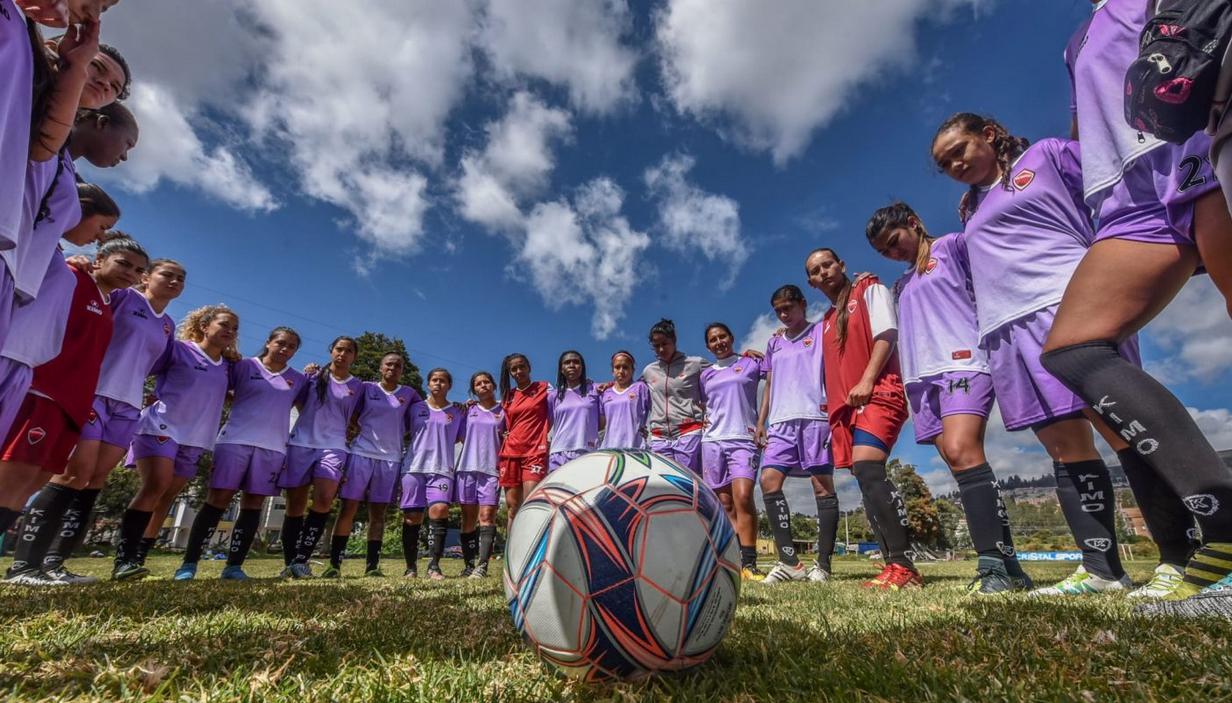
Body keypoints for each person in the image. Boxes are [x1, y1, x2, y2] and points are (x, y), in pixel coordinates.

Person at [933, 111, 1186, 596]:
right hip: (1005, 329)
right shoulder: (970, 207)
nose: (955, 166)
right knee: (1064, 446)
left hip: (1066, 304)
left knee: (1121, 428)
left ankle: (1181, 553)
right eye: (945, 164)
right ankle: (1102, 570)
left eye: (959, 151)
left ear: (989, 134)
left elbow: (1114, 186)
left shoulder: (1047, 155)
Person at [1045, 0, 1232, 604]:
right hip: (1126, 194)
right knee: (1072, 348)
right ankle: (1226, 523)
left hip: (1194, 148)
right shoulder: (1077, 37)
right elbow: (1085, 129)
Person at [866, 202, 1031, 593]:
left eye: (895, 241)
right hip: (920, 380)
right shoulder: (901, 285)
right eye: (884, 252)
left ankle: (991, 569)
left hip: (962, 363)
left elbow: (995, 281)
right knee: (963, 467)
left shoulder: (955, 247)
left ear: (914, 222)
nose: (894, 253)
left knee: (962, 451)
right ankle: (1012, 566)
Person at [0, 237, 144, 585]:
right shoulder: (73, 278)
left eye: (137, 269)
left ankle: (32, 567)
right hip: (46, 392)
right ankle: (22, 567)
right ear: (101, 258)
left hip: (72, 402)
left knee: (34, 480)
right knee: (15, 478)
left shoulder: (107, 302)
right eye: (124, 263)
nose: (131, 273)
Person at [33, 257, 182, 583]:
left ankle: (57, 562)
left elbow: (160, 365)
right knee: (73, 474)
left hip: (127, 406)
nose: (174, 282)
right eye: (167, 275)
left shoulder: (168, 325)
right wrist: (80, 266)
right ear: (146, 277)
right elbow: (86, 302)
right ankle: (28, 562)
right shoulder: (123, 297)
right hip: (94, 392)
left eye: (180, 278)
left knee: (95, 480)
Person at [806, 248, 921, 590]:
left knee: (869, 468)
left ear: (841, 265)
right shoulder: (826, 321)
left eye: (828, 264)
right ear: (811, 282)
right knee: (864, 476)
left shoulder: (870, 290)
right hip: (847, 407)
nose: (824, 272)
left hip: (879, 391)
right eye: (815, 270)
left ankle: (904, 565)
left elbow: (886, 335)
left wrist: (868, 379)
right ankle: (891, 565)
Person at [111, 304, 238, 580]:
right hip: (161, 426)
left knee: (167, 495)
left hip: (195, 437)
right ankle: (123, 558)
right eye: (224, 324)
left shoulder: (229, 367)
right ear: (205, 326)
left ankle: (139, 557)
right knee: (155, 485)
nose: (229, 331)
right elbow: (142, 367)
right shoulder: (178, 349)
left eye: (234, 328)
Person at [171, 327, 306, 581]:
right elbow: (219, 388)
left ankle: (233, 566)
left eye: (291, 347)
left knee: (253, 504)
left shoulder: (298, 380)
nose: (285, 349)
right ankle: (189, 564)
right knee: (217, 500)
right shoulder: (243, 367)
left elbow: (305, 408)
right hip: (234, 441)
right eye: (280, 343)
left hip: (272, 448)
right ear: (268, 342)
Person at [750, 287, 838, 584]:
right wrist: (762, 421)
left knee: (822, 487)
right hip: (780, 423)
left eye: (789, 307)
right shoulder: (774, 342)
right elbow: (770, 386)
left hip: (815, 418)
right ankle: (790, 563)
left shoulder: (822, 331)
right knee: (768, 481)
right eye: (779, 311)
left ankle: (823, 565)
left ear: (803, 304)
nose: (784, 314)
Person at [323, 352, 420, 578]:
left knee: (378, 513)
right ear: (380, 367)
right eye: (389, 364)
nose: (393, 368)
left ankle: (372, 566)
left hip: (391, 459)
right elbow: (351, 410)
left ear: (402, 371)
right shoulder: (366, 388)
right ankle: (335, 564)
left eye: (398, 366)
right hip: (361, 453)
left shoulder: (409, 394)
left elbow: (422, 416)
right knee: (348, 507)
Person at [278, 336, 363, 579]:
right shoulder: (312, 377)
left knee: (325, 499)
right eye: (339, 349)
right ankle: (289, 563)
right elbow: (297, 403)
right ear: (331, 350)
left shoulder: (358, 386)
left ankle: (302, 560)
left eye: (348, 351)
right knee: (295, 505)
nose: (343, 354)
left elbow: (359, 416)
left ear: (354, 357)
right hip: (301, 443)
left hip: (334, 447)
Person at [698, 322, 766, 581]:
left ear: (731, 337)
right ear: (708, 346)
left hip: (743, 438)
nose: (719, 342)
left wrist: (761, 424)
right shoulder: (706, 375)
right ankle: (735, 561)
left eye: (722, 337)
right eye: (713, 340)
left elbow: (773, 375)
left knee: (743, 496)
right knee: (724, 503)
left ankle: (750, 563)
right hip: (712, 441)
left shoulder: (751, 362)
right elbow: (706, 404)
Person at [400, 368, 465, 580]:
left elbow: (461, 438)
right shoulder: (415, 408)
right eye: (434, 380)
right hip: (413, 467)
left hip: (442, 469)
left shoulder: (457, 412)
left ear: (449, 385)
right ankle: (411, 568)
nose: (438, 384)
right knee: (412, 518)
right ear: (428, 384)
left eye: (443, 381)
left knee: (439, 510)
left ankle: (434, 566)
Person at [643, 319, 709, 474]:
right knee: (664, 482)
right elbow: (629, 388)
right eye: (656, 346)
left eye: (664, 343)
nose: (660, 349)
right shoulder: (648, 371)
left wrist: (741, 357)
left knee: (688, 480)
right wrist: (607, 385)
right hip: (659, 435)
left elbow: (723, 371)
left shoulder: (695, 364)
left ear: (674, 340)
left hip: (688, 431)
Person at [457, 371, 504, 578]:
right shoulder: (468, 410)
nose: (483, 386)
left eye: (487, 382)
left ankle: (482, 566)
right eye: (478, 383)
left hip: (491, 470)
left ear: (493, 386)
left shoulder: (504, 410)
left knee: (487, 517)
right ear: (473, 389)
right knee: (467, 518)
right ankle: (468, 564)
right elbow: (458, 437)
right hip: (467, 468)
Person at [497, 353, 549, 533]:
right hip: (510, 453)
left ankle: (531, 553)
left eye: (522, 366)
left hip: (535, 453)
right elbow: (492, 414)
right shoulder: (507, 397)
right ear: (510, 373)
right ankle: (511, 556)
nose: (519, 371)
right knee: (513, 509)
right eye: (514, 369)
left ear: (529, 367)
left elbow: (568, 395)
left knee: (531, 504)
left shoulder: (543, 388)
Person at [546, 350, 602, 471]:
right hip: (558, 453)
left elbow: (602, 422)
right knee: (559, 490)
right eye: (567, 362)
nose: (572, 365)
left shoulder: (595, 390)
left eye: (576, 362)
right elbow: (545, 425)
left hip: (587, 452)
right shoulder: (553, 396)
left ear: (582, 367)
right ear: (561, 369)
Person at [598, 351, 648, 450]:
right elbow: (601, 424)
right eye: (617, 367)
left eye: (625, 367)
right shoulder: (605, 393)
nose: (621, 371)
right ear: (612, 371)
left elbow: (653, 410)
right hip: (609, 447)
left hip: (636, 447)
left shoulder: (640, 387)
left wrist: (647, 430)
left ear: (632, 370)